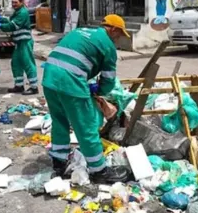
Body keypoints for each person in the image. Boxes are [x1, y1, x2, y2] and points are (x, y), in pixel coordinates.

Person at [41, 14, 132, 184]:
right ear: (112, 29)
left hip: (49, 79)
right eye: (119, 34)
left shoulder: (80, 31)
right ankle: (99, 170)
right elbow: (109, 81)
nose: (118, 38)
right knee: (86, 126)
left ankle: (59, 162)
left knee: (59, 121)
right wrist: (98, 90)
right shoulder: (108, 46)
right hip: (71, 84)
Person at [0, 0, 38, 95]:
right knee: (16, 63)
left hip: (25, 42)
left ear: (21, 2)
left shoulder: (22, 13)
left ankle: (34, 87)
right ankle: (19, 86)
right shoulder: (17, 12)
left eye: (16, 2)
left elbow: (11, 26)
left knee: (28, 64)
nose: (14, 4)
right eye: (12, 2)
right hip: (19, 43)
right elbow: (9, 20)